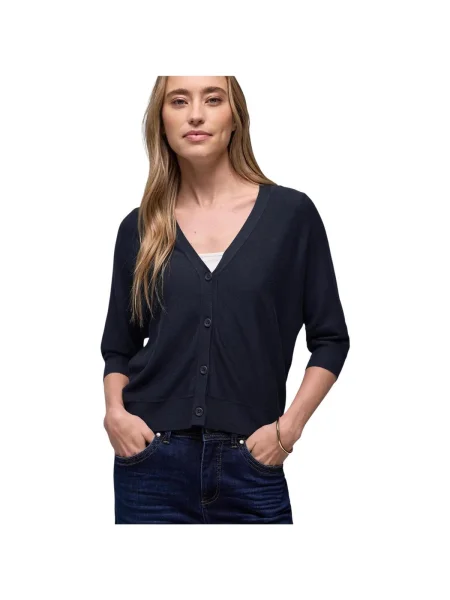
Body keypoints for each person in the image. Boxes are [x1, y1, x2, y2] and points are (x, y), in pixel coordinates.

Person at [100, 76, 350, 524]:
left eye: (213, 99)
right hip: (150, 466)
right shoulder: (139, 228)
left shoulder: (291, 216)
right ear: (161, 121)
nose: (196, 114)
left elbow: (330, 339)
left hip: (251, 465)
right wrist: (115, 414)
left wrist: (288, 430)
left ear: (235, 118)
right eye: (179, 101)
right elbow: (119, 347)